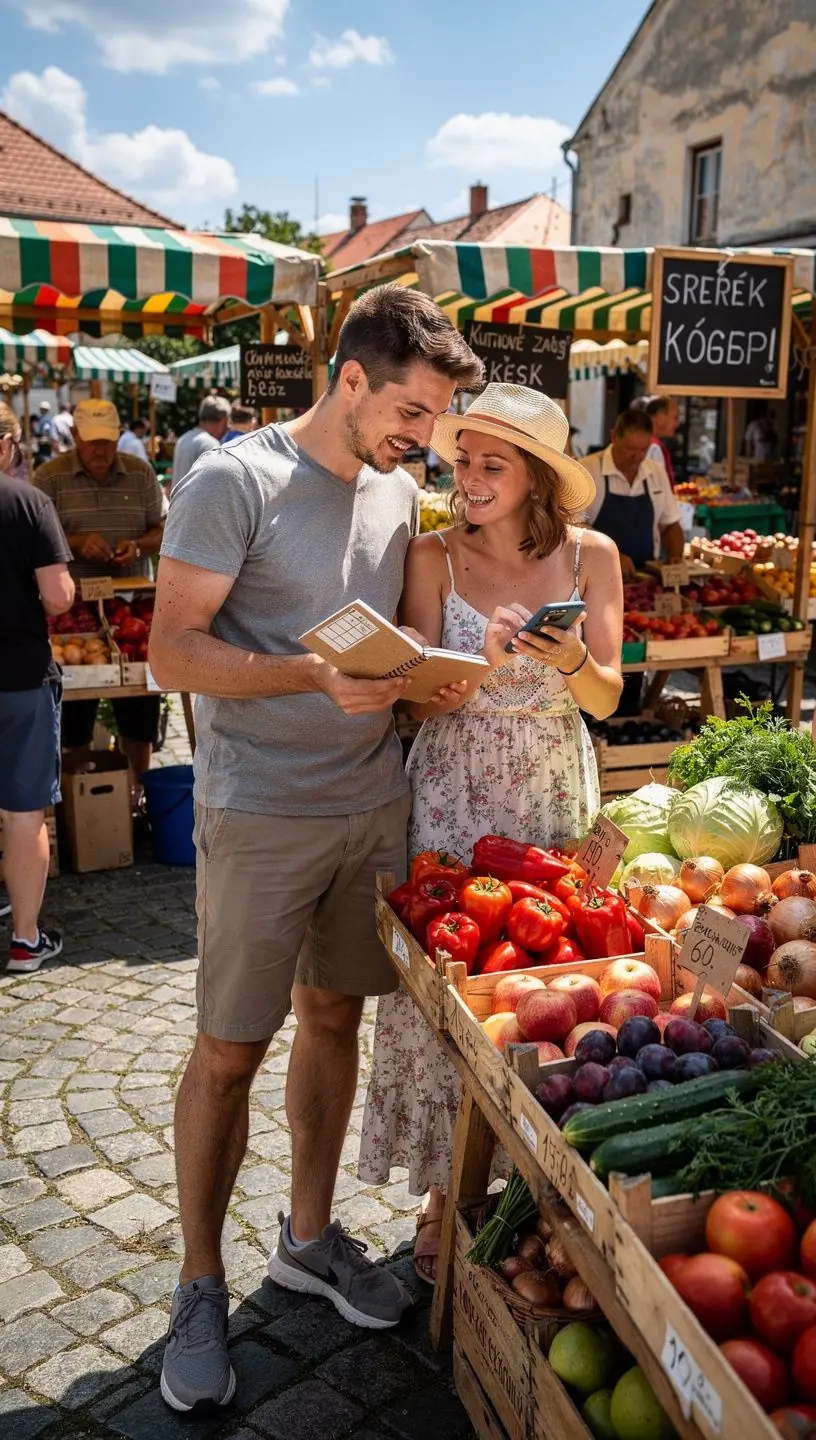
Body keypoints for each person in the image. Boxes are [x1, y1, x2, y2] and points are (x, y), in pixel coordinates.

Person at [149, 283, 484, 1412]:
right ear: (349, 381)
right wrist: (307, 674)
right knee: (229, 1051)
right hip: (259, 809)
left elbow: (387, 652)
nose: (423, 437)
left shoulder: (394, 490)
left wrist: (422, 688)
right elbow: (170, 654)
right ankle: (199, 1284)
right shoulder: (231, 479)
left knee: (335, 1015)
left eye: (434, 417)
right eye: (411, 411)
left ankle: (306, 1234)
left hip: (370, 803)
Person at [358, 383, 623, 1281]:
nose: (467, 478)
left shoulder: (593, 556)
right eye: (462, 461)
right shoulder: (431, 554)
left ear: (537, 477)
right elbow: (415, 696)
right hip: (453, 785)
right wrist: (484, 661)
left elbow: (607, 697)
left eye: (491, 465)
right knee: (453, 979)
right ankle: (444, 1188)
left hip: (554, 783)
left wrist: (572, 658)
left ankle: (532, 1181)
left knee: (551, 973)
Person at [35, 399, 165, 788]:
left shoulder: (140, 473)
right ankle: (79, 798)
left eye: (107, 441)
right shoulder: (50, 477)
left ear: (118, 436)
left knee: (139, 722)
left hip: (132, 612)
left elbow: (163, 530)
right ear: (75, 435)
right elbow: (33, 540)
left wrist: (138, 547)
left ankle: (138, 795)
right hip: (69, 616)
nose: (100, 450)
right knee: (73, 723)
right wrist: (73, 543)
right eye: (92, 441)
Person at [0, 402, 75, 971]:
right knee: (24, 814)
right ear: (6, 445)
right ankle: (25, 940)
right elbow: (58, 596)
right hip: (20, 678)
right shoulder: (27, 503)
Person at [583, 408, 684, 579]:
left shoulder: (656, 472)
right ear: (614, 436)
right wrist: (611, 555)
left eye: (644, 449)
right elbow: (571, 527)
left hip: (646, 577)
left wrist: (676, 558)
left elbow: (670, 524)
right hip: (595, 578)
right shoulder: (587, 471)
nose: (637, 457)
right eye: (630, 449)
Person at [171, 395, 231, 489]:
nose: (229, 428)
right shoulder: (210, 444)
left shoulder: (183, 439)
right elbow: (214, 485)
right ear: (224, 421)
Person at [645, 396, 679, 487]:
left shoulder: (647, 443)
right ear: (660, 417)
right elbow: (657, 489)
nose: (677, 424)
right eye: (675, 418)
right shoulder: (653, 447)